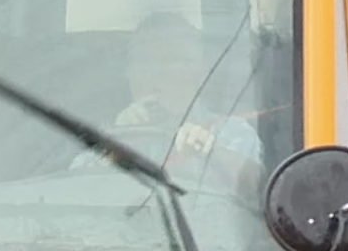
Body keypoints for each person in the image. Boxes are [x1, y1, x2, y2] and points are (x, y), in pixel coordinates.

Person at [110, 11, 267, 198]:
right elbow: (75, 190)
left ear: (200, 74)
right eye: (145, 61)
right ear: (129, 74)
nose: (156, 75)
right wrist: (117, 145)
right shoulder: (109, 135)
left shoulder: (230, 132)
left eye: (172, 61)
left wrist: (209, 153)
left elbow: (258, 193)